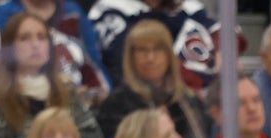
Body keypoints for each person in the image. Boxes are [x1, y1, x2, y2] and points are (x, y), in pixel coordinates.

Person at [94, 18, 211, 138]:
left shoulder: (188, 100)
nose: (150, 58)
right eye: (142, 50)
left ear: (169, 54)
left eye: (158, 49)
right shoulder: (117, 105)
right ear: (131, 57)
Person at [0, 0, 111, 106]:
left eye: (41, 37)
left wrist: (99, 94)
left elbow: (95, 66)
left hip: (82, 103)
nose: (35, 44)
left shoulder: (72, 11)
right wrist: (58, 95)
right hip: (23, 103)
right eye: (25, 38)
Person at [87, 0, 219, 91]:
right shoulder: (110, 10)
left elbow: (223, 36)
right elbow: (130, 64)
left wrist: (222, 53)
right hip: (146, 100)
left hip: (204, 95)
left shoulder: (186, 6)